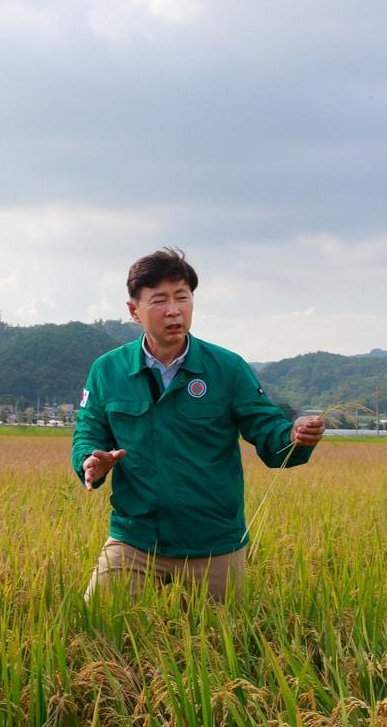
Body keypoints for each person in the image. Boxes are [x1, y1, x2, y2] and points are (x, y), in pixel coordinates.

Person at [71, 247, 325, 603]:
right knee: (94, 623)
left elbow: (270, 434)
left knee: (224, 648)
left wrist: (295, 435)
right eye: (159, 300)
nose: (174, 310)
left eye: (183, 298)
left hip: (214, 544)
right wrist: (90, 460)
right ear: (134, 311)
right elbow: (88, 433)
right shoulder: (108, 370)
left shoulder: (227, 368)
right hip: (136, 539)